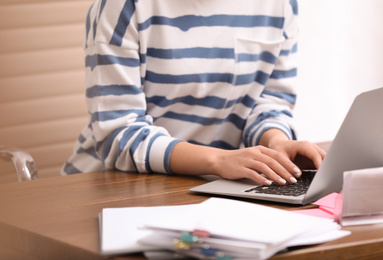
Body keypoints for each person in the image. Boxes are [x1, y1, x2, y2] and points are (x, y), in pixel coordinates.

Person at [62, 0, 326, 186]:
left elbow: (269, 101)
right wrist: (217, 160)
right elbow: (118, 134)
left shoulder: (281, 5)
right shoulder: (124, 5)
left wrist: (276, 142)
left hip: (210, 189)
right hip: (111, 188)